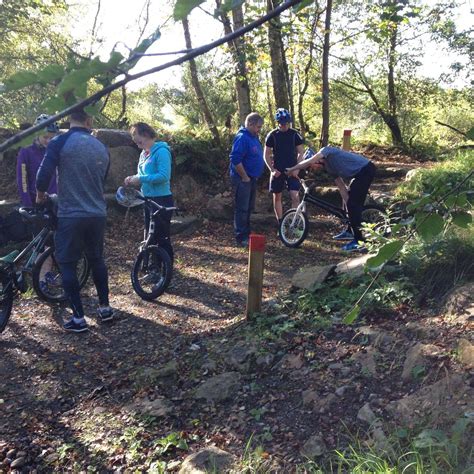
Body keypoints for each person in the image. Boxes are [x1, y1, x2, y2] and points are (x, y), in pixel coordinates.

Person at [36, 109, 113, 333]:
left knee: (67, 263)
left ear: (70, 120)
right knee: (97, 259)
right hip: (97, 214)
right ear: (89, 121)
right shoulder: (100, 146)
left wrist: (40, 198)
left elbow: (44, 174)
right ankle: (105, 308)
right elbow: (103, 179)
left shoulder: (60, 141)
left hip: (70, 214)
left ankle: (79, 318)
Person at [286, 146, 377, 251]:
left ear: (317, 160)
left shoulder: (327, 151)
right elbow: (341, 187)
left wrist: (292, 169)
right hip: (358, 175)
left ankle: (358, 242)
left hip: (366, 170)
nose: (313, 170)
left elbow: (309, 161)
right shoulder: (329, 168)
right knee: (351, 204)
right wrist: (348, 206)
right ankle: (350, 231)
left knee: (353, 205)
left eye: (311, 167)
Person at [124, 122, 174, 262]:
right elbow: (142, 175)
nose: (134, 140)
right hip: (147, 199)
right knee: (149, 234)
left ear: (145, 134)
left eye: (136, 136)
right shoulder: (143, 154)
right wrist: (133, 179)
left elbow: (164, 176)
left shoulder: (162, 152)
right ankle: (151, 265)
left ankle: (165, 269)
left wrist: (140, 178)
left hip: (161, 199)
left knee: (161, 236)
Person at [264, 108, 304, 227]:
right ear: (278, 123)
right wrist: (272, 170)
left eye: (286, 123)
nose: (284, 126)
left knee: (295, 196)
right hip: (278, 171)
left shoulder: (294, 134)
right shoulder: (272, 135)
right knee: (277, 197)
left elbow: (301, 153)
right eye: (282, 124)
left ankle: (293, 222)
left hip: (292, 170)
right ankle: (281, 224)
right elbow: (266, 154)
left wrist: (297, 168)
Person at [229, 112, 265, 246]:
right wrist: (244, 176)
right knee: (242, 208)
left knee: (249, 207)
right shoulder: (242, 137)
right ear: (250, 124)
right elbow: (235, 159)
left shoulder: (253, 137)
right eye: (258, 127)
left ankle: (247, 233)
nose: (259, 130)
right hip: (243, 179)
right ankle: (241, 237)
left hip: (251, 179)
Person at [17, 114, 59, 207]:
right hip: (35, 201)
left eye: (51, 138)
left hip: (55, 201)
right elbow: (22, 180)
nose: (48, 141)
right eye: (45, 137)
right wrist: (27, 205)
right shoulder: (26, 151)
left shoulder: (56, 150)